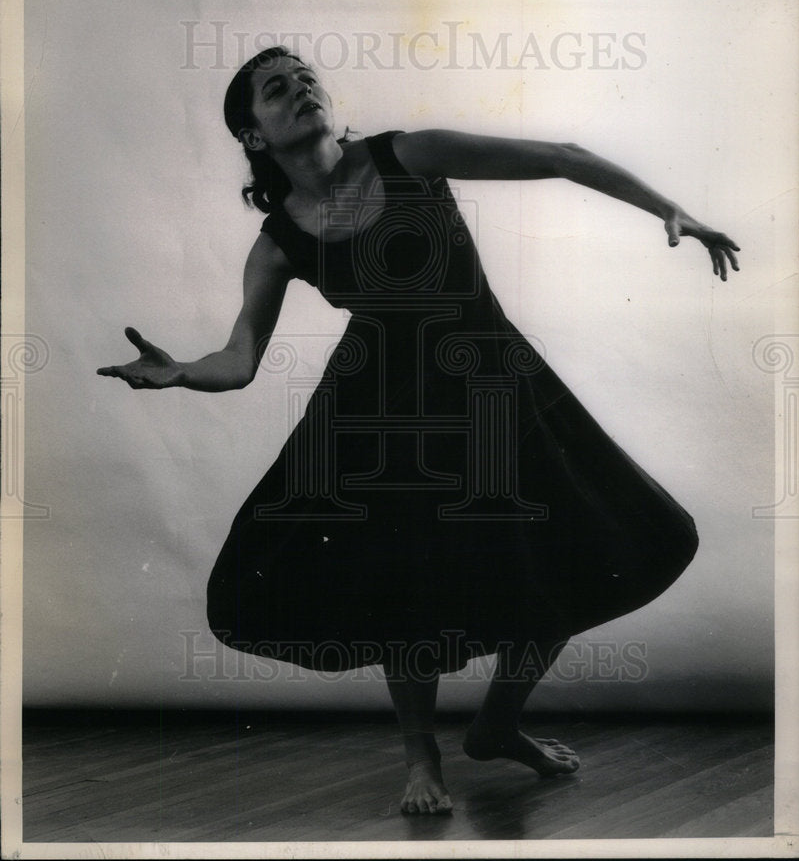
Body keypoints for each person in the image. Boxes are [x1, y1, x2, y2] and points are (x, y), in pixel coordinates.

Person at [98, 46, 740, 815]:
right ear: (253, 136)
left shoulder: (408, 154)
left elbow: (562, 159)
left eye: (306, 77)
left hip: (498, 391)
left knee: (572, 553)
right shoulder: (277, 244)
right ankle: (421, 756)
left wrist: (671, 209)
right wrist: (177, 374)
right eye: (277, 89)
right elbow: (238, 360)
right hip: (378, 416)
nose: (301, 89)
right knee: (404, 588)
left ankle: (497, 723)